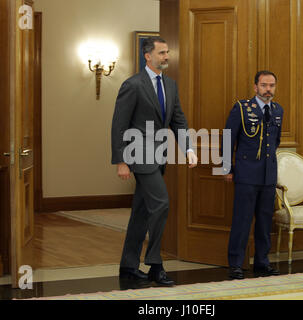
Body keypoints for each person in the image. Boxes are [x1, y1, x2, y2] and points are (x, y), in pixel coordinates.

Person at [111, 37, 198, 286]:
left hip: (159, 158)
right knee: (161, 204)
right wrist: (121, 161)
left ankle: (128, 266)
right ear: (147, 56)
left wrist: (188, 148)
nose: (167, 56)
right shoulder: (133, 85)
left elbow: (178, 120)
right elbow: (119, 125)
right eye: (162, 52)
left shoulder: (170, 85)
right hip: (139, 156)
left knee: (141, 212)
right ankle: (155, 264)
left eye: (167, 52)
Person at [223, 71, 284, 279]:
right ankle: (236, 264)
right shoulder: (241, 108)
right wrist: (227, 168)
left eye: (272, 85)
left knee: (265, 221)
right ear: (255, 87)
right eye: (264, 85)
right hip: (246, 174)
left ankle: (262, 262)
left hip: (268, 175)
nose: (268, 89)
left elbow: (276, 141)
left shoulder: (277, 110)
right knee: (242, 220)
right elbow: (228, 139)